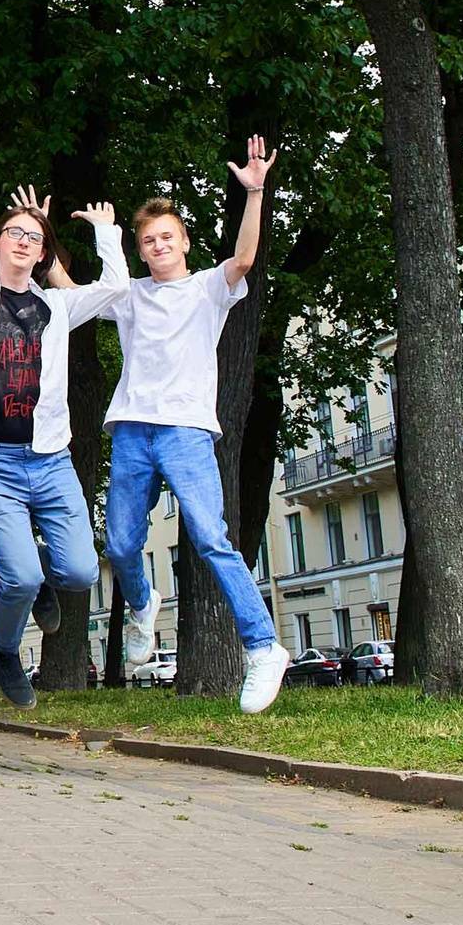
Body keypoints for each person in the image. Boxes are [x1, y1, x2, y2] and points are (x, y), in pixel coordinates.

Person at [0, 154, 128, 709]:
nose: (23, 242)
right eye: (14, 232)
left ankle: (40, 563)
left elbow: (116, 289)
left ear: (43, 253)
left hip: (50, 459)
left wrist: (107, 235)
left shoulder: (59, 306)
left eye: (34, 237)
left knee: (80, 571)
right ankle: (6, 652)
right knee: (21, 580)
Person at [99, 138, 293, 715]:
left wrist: (254, 192)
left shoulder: (209, 287)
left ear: (183, 242)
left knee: (210, 537)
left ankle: (263, 648)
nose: (158, 246)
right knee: (119, 544)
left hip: (184, 431)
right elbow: (66, 291)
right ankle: (141, 605)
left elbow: (245, 259)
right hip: (133, 429)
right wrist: (44, 235)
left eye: (167, 237)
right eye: (147, 241)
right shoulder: (128, 295)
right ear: (140, 250)